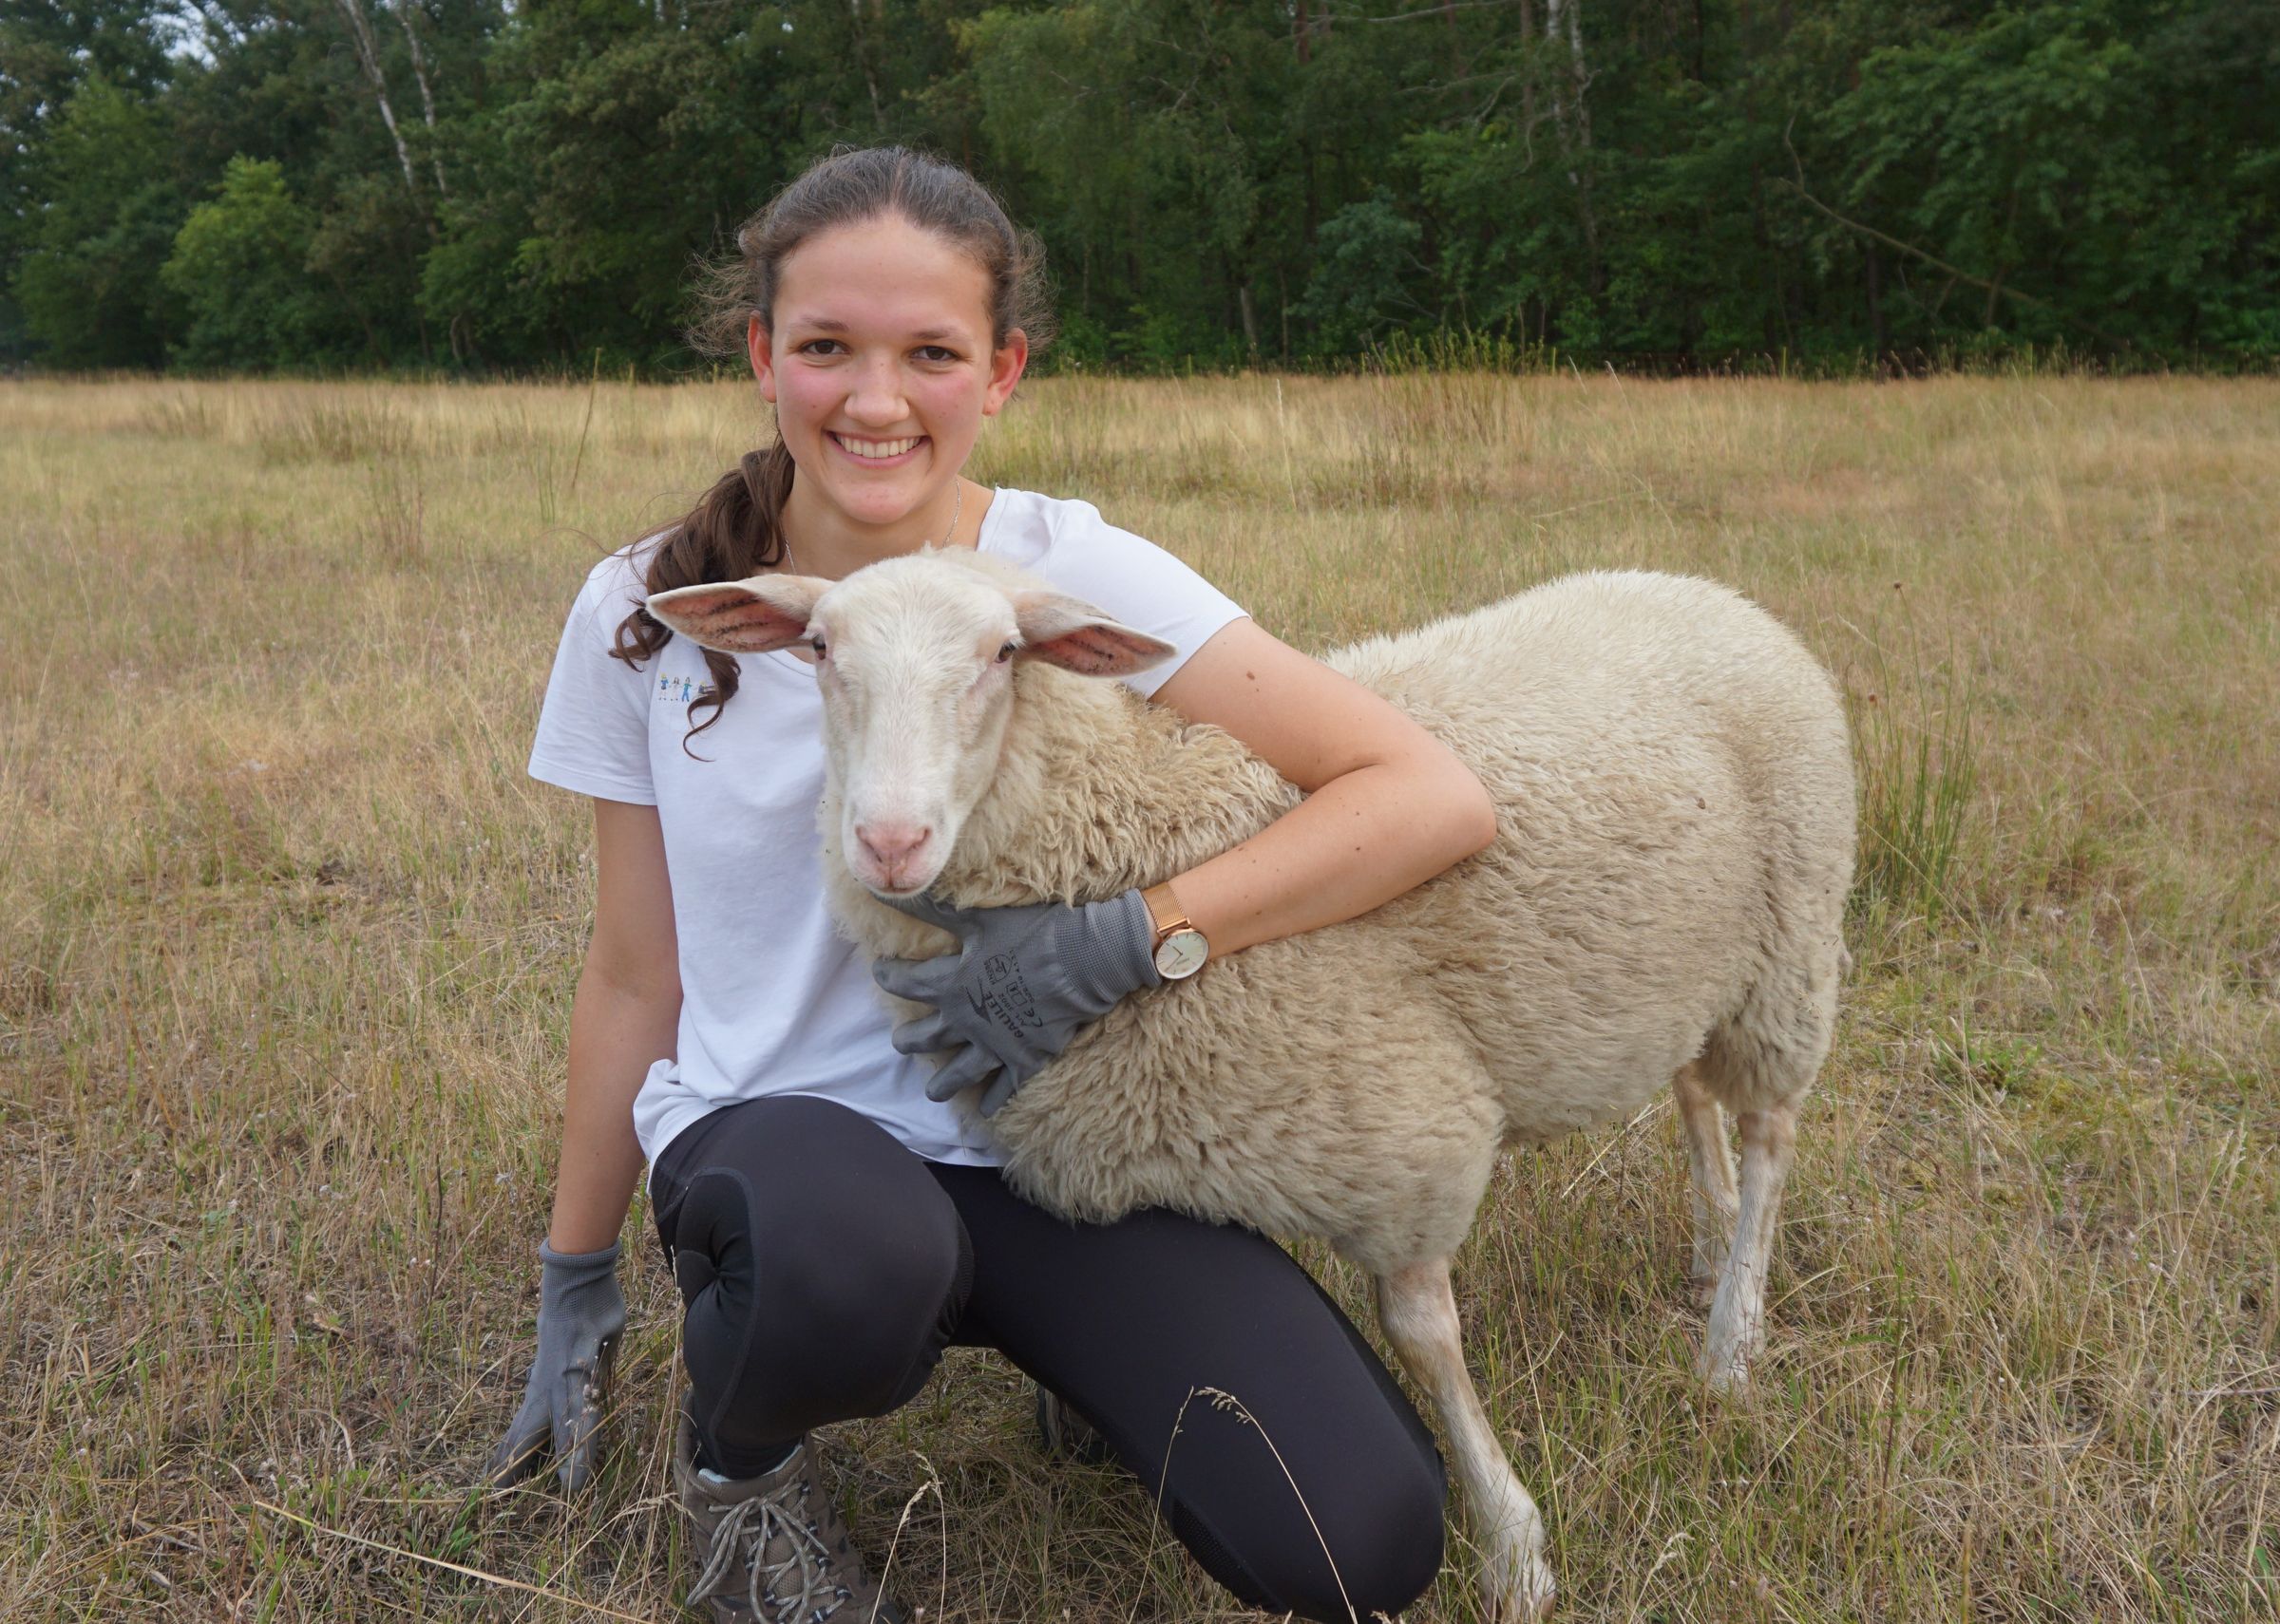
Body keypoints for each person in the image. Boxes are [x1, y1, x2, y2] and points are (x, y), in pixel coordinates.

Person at [491, 144, 1498, 1624]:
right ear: (764, 355)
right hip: (789, 1157)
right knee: (847, 1257)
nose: (877, 400)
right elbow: (636, 969)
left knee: (1357, 1544)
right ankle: (742, 1488)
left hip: (1057, 1148)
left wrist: (1136, 937)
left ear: (1002, 369)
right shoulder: (650, 609)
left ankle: (1081, 1371)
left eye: (932, 352)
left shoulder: (1066, 575)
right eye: (827, 346)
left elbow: (1427, 795)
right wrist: (574, 1267)